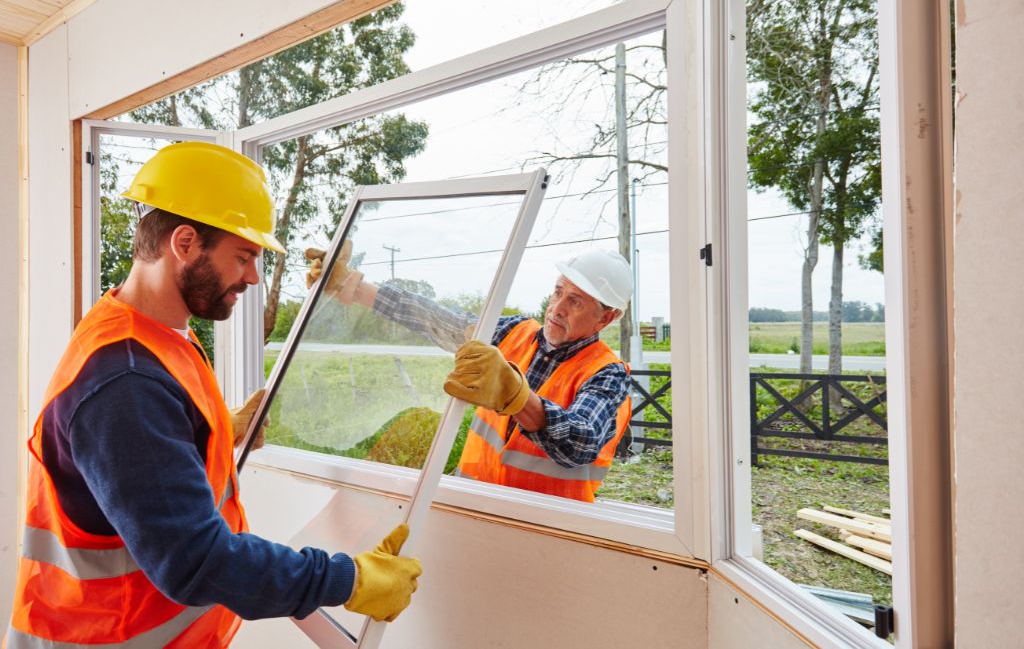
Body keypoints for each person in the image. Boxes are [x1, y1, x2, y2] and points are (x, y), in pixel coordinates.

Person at [6, 142, 421, 648]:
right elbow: (196, 561)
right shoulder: (126, 381)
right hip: (107, 637)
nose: (252, 276)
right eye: (243, 257)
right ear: (184, 243)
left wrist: (216, 433)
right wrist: (346, 580)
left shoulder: (155, 330)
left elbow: (142, 460)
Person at [307, 242, 634, 503]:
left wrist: (517, 397)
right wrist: (354, 288)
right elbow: (436, 319)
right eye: (558, 291)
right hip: (472, 503)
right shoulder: (512, 332)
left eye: (575, 301)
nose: (557, 308)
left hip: (545, 529)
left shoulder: (607, 374)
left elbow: (580, 441)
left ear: (606, 318)